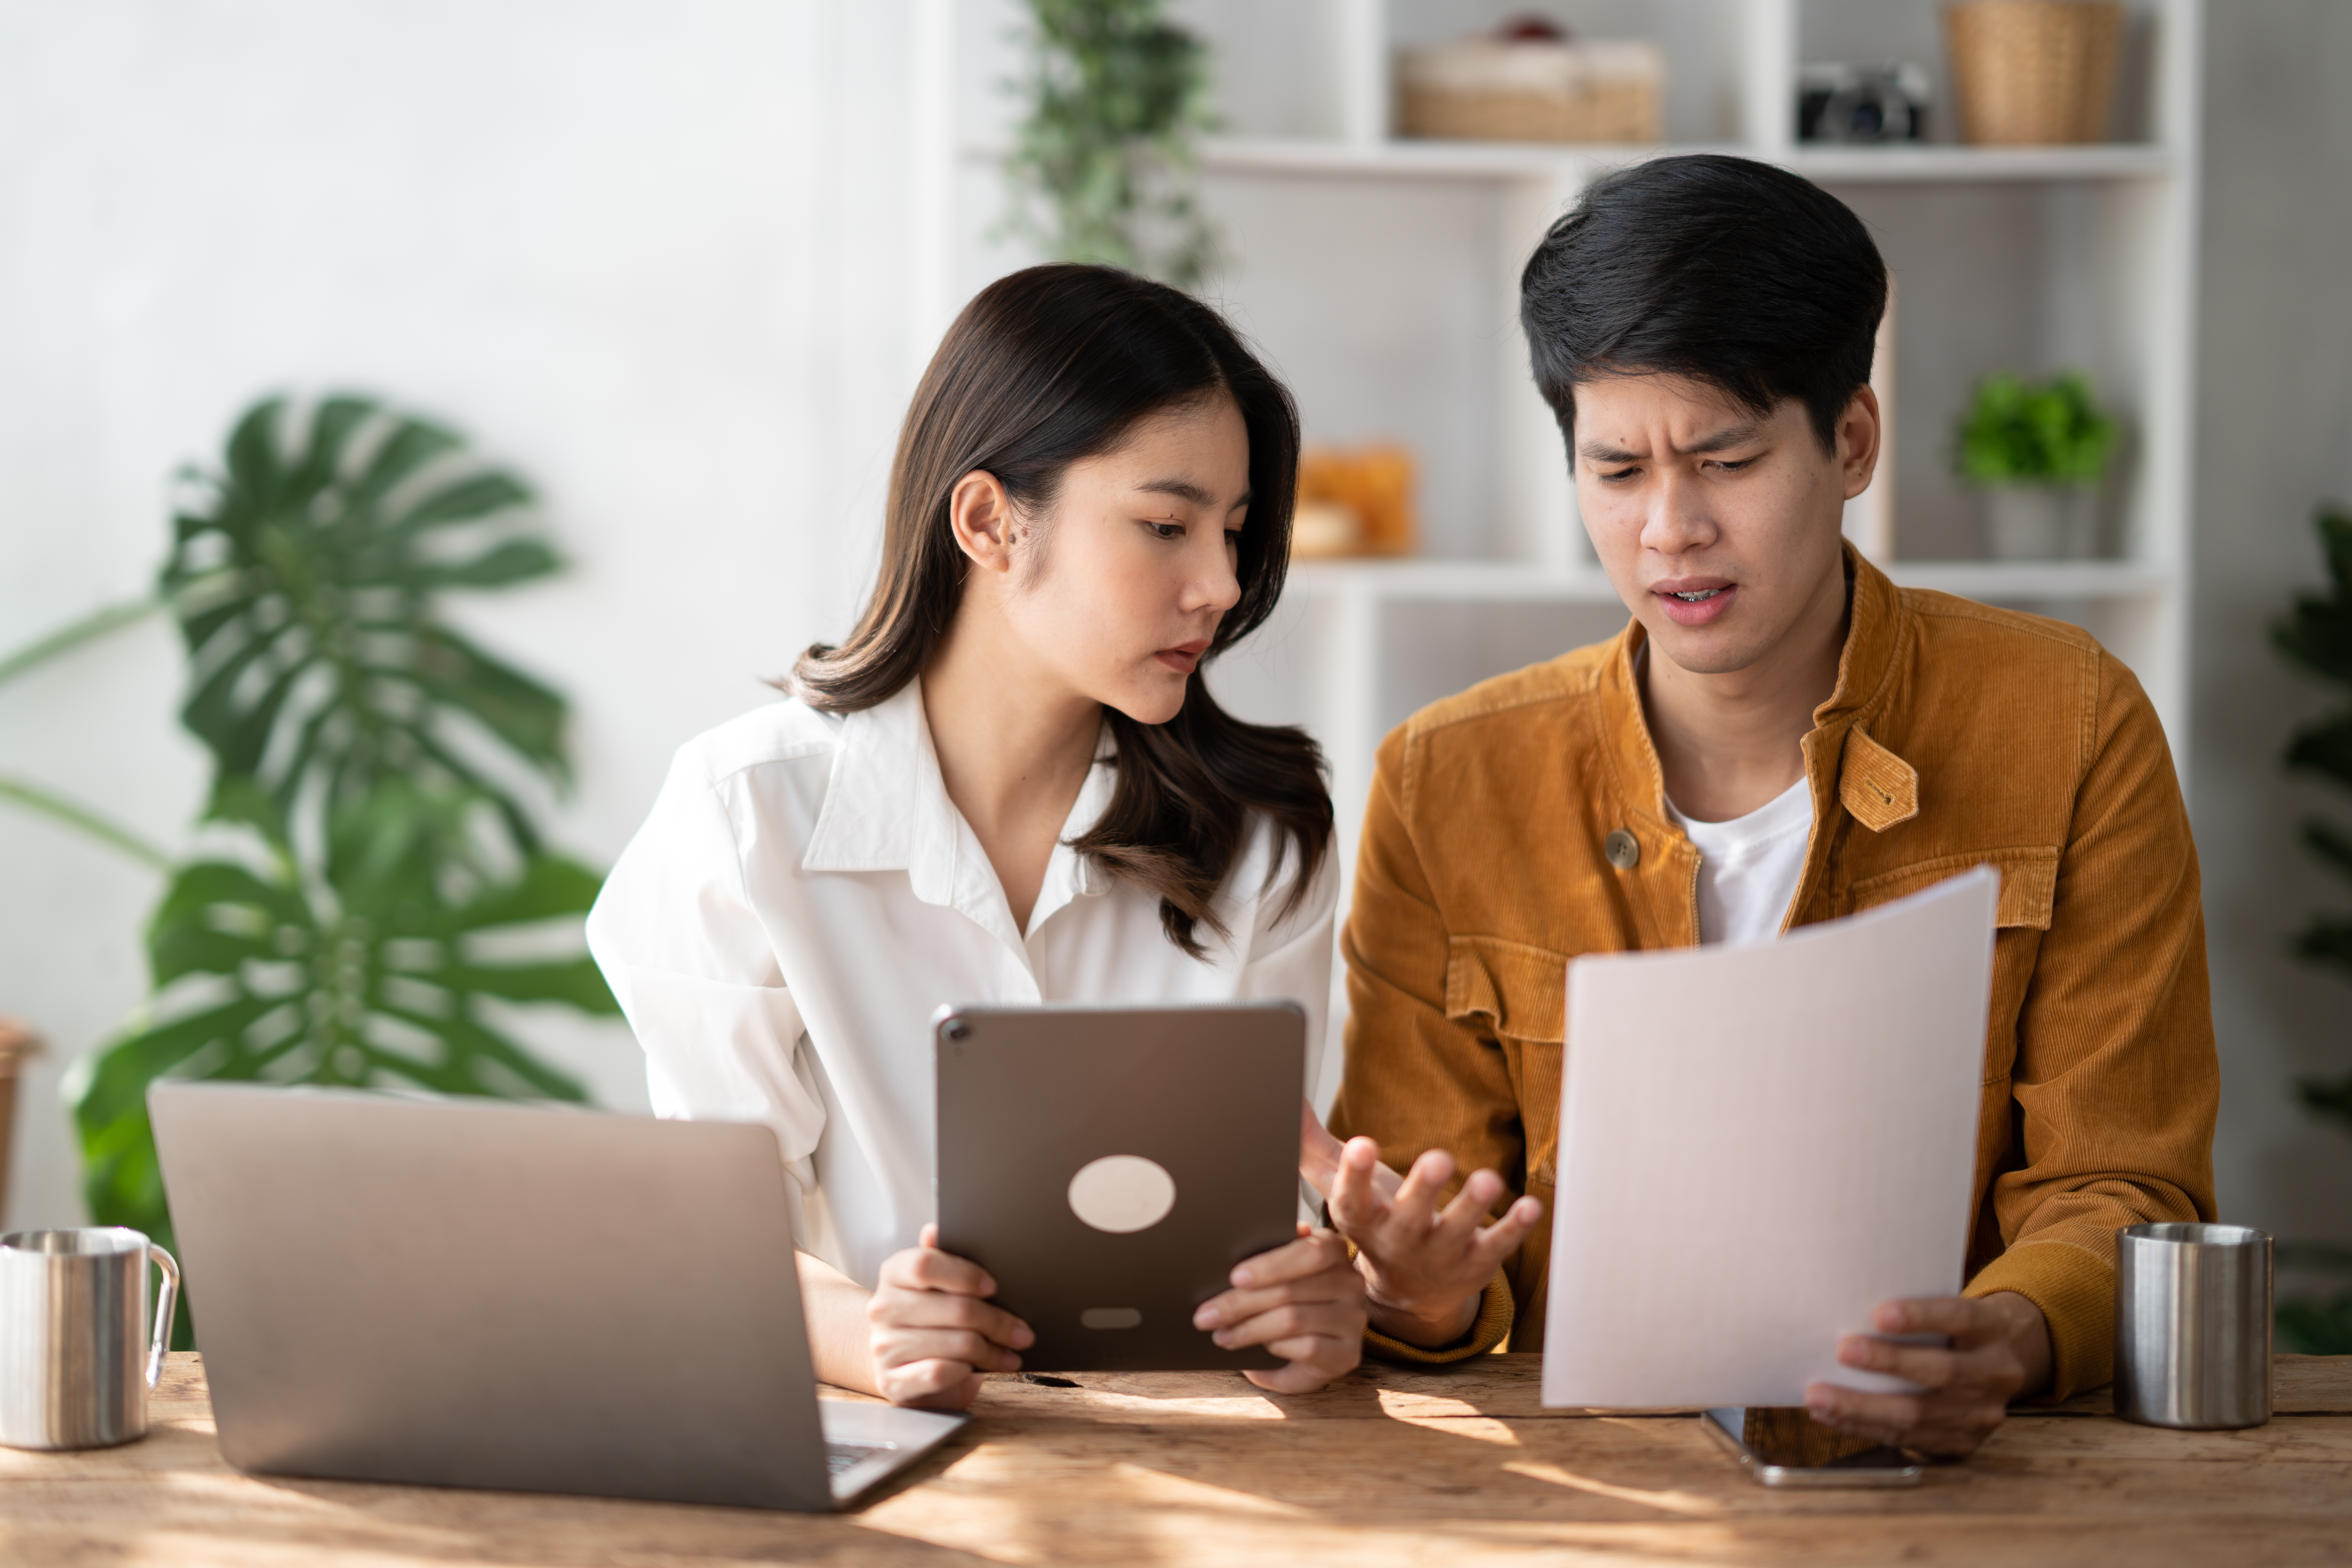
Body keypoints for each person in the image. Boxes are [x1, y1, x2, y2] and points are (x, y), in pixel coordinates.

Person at [1316, 153, 2219, 1458]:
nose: (1670, 528)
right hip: (1581, 1488)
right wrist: (1421, 1279)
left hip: (1968, 1480)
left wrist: (2010, 1334)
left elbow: (2121, 1177)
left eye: (1725, 460)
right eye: (1616, 470)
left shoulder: (2071, 725)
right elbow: (1438, 1239)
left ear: (1850, 442)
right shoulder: (1448, 781)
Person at [588, 263, 1366, 1410]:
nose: (1218, 584)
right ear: (989, 521)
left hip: (1193, 1478)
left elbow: (1274, 1249)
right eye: (1165, 525)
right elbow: (708, 1238)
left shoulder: (1266, 840)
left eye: (1235, 533)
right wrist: (879, 1339)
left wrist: (1313, 1312)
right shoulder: (743, 813)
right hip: (872, 1468)